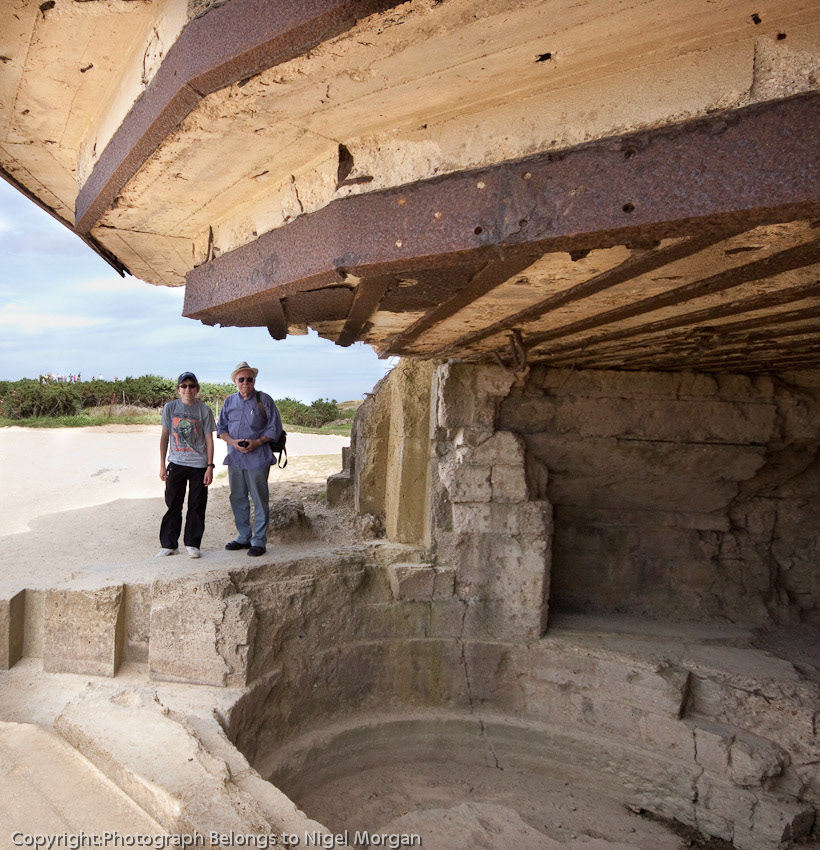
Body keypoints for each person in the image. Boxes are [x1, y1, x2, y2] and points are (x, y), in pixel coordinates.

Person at [217, 361, 283, 557]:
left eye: (249, 379)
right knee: (237, 497)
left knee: (259, 499)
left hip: (258, 457)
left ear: (254, 381)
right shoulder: (229, 402)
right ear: (235, 382)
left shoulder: (264, 400)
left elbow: (274, 428)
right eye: (241, 379)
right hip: (235, 458)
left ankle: (259, 541)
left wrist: (258, 442)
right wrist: (233, 442)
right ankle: (244, 536)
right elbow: (221, 429)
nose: (246, 382)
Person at [157, 372, 216, 558]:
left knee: (197, 505)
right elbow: (165, 436)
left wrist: (210, 466)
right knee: (173, 504)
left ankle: (192, 543)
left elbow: (209, 439)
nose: (187, 389)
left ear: (197, 389)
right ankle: (169, 544)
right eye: (183, 386)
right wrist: (161, 464)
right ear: (178, 389)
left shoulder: (204, 410)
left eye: (191, 386)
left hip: (199, 464)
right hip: (176, 462)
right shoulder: (170, 408)